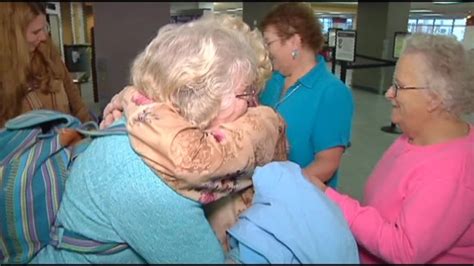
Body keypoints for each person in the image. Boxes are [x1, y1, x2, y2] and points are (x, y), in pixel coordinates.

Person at [30, 15, 285, 263]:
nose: (252, 106)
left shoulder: (143, 122)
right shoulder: (151, 179)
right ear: (207, 97)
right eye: (247, 93)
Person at [98, 14, 287, 252]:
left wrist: (130, 99)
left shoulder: (257, 124)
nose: (251, 106)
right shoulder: (143, 171)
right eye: (247, 92)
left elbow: (195, 158)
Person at [310, 33, 474, 263]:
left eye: (399, 86)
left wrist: (331, 199)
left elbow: (404, 250)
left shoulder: (451, 174)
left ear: (434, 98)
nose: (389, 93)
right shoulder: (414, 136)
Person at [258, 2, 354, 188]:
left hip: (300, 200)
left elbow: (326, 164)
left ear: (294, 41)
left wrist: (282, 188)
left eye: (269, 43)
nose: (266, 52)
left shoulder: (332, 93)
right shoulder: (272, 81)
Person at [0, 2, 92, 127]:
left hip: (72, 141)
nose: (43, 37)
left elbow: (77, 104)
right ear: (14, 36)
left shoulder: (49, 54)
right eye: (36, 32)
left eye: (45, 28)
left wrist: (90, 132)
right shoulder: (4, 75)